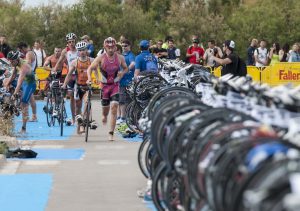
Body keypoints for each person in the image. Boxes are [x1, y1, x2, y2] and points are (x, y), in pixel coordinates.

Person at [87, 37, 128, 141]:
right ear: (105, 47)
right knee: (106, 110)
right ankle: (104, 115)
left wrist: (122, 73)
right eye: (108, 47)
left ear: (115, 47)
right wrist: (89, 79)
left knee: (114, 107)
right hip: (104, 86)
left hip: (115, 85)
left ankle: (111, 133)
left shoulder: (120, 58)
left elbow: (126, 68)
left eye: (112, 47)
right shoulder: (100, 58)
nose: (110, 49)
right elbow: (90, 69)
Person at [62, 41, 97, 134]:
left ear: (86, 50)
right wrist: (64, 85)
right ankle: (79, 124)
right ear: (78, 51)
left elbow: (97, 70)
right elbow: (69, 75)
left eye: (83, 50)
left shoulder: (92, 60)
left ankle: (83, 123)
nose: (82, 52)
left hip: (88, 86)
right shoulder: (74, 62)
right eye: (80, 50)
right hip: (78, 86)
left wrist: (98, 80)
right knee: (78, 107)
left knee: (87, 102)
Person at [6, 51, 36, 133]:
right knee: (6, 81)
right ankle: (15, 102)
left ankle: (23, 128)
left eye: (12, 61)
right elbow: (13, 75)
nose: (10, 63)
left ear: (16, 60)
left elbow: (19, 83)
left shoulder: (24, 67)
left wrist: (15, 93)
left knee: (24, 104)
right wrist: (7, 84)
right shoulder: (16, 63)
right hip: (24, 82)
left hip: (30, 84)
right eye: (10, 61)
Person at [53, 32, 78, 125]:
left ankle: (80, 116)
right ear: (67, 43)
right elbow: (59, 61)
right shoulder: (65, 51)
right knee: (71, 96)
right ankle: (73, 119)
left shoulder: (79, 49)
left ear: (75, 41)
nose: (71, 43)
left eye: (73, 41)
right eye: (69, 42)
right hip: (70, 75)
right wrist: (54, 70)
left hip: (79, 76)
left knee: (78, 98)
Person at [18, 42, 38, 122]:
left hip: (30, 77)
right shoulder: (30, 53)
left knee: (27, 99)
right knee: (31, 98)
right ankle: (33, 116)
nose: (20, 52)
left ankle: (30, 116)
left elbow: (28, 63)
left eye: (20, 50)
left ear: (23, 48)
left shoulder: (29, 53)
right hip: (30, 76)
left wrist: (21, 62)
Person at [117, 39, 135, 124]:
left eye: (126, 46)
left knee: (127, 100)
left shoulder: (130, 55)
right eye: (123, 46)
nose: (124, 47)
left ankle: (125, 118)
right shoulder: (121, 55)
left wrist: (126, 70)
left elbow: (133, 64)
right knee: (120, 100)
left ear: (129, 46)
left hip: (128, 81)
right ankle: (121, 117)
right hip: (121, 81)